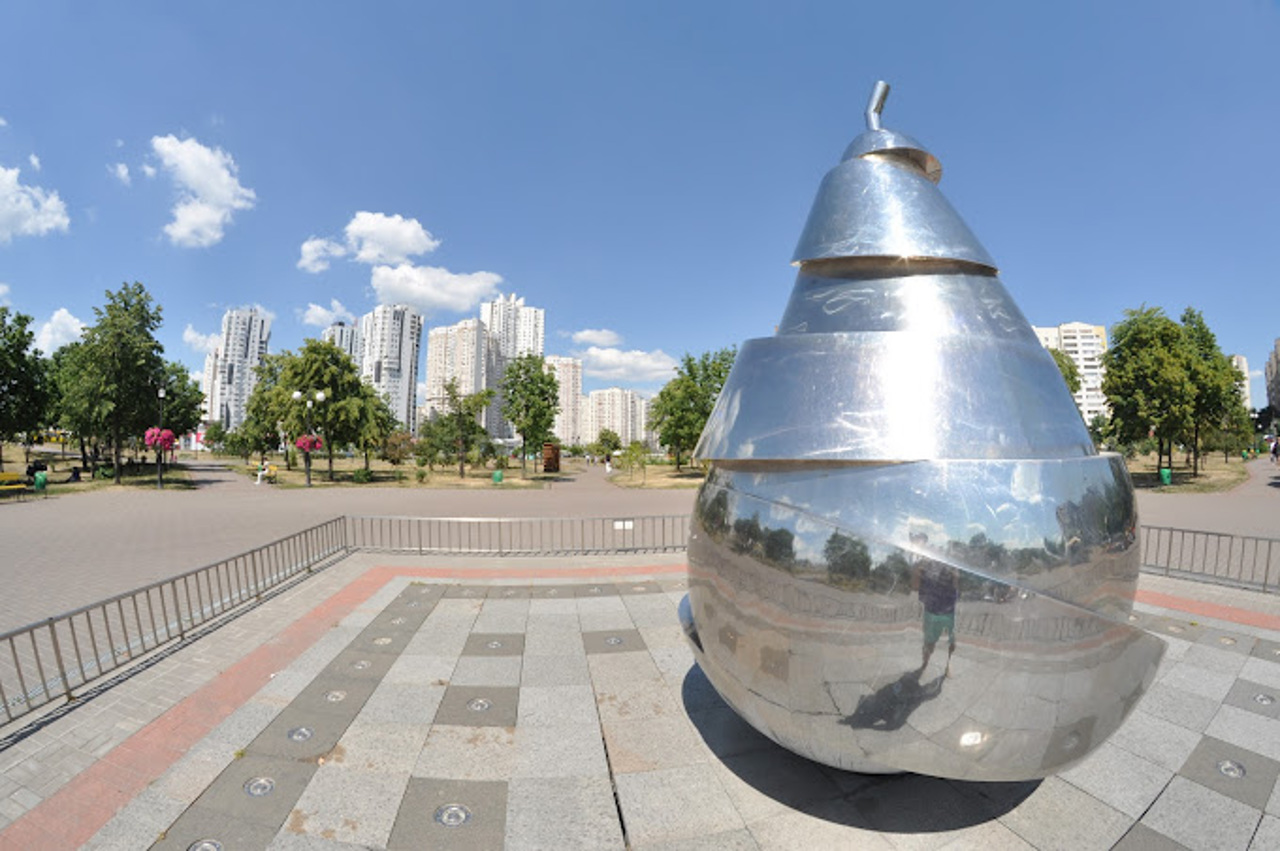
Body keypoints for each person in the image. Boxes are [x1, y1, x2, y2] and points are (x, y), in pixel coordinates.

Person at [910, 531, 959, 677]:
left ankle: (948, 664)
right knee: (928, 643)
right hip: (931, 611)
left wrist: (954, 571)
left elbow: (956, 585)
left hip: (949, 611)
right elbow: (914, 586)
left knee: (952, 641)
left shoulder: (950, 566)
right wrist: (918, 567)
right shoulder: (923, 567)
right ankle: (924, 663)